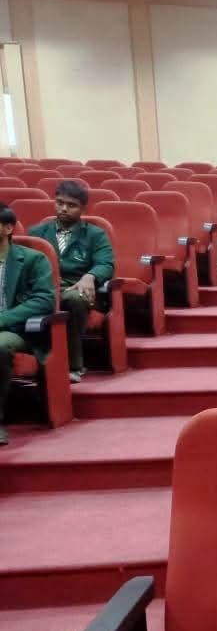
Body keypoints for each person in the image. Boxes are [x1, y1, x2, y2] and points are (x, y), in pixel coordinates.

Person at [29, 181, 114, 383]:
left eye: (71, 205)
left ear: (83, 209)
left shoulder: (95, 235)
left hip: (76, 287)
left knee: (74, 299)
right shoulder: (37, 233)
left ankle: (73, 366)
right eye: (60, 203)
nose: (64, 209)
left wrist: (90, 276)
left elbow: (106, 264)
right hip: (45, 288)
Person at [0, 203, 56, 446]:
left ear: (7, 228)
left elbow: (44, 300)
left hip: (18, 330)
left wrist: (2, 320)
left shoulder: (33, 259)